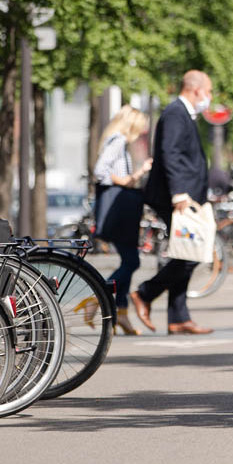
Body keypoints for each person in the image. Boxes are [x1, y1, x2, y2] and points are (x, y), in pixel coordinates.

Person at [132, 70, 215, 335]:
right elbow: (170, 153)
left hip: (186, 197)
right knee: (191, 252)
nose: (210, 98)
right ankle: (145, 293)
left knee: (185, 250)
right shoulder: (175, 113)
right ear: (197, 89)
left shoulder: (182, 113)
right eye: (209, 91)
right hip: (177, 197)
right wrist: (179, 193)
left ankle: (178, 317)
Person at [93, 105, 152, 335]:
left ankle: (122, 314)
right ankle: (97, 296)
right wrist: (130, 178)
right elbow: (100, 171)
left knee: (129, 260)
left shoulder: (115, 140)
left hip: (120, 208)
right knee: (131, 262)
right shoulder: (118, 140)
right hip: (119, 208)